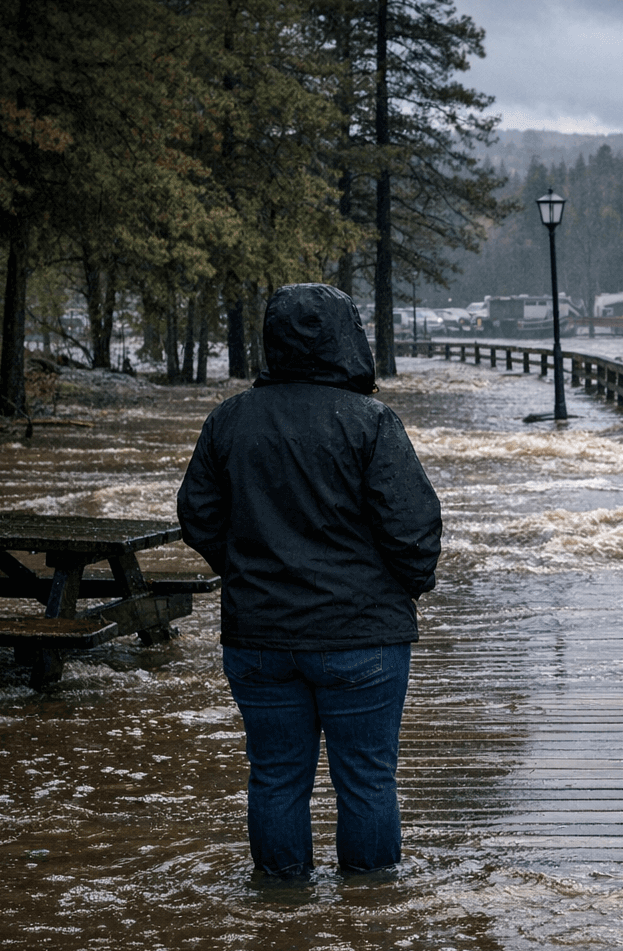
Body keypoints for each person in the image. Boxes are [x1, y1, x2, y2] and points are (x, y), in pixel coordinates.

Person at [177, 283, 441, 876]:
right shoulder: (371, 423)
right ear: (348, 337)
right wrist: (405, 586)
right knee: (368, 779)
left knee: (274, 777)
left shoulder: (229, 421)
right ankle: (370, 914)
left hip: (260, 636)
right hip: (362, 636)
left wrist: (245, 569)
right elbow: (415, 529)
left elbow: (197, 515)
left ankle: (281, 914)